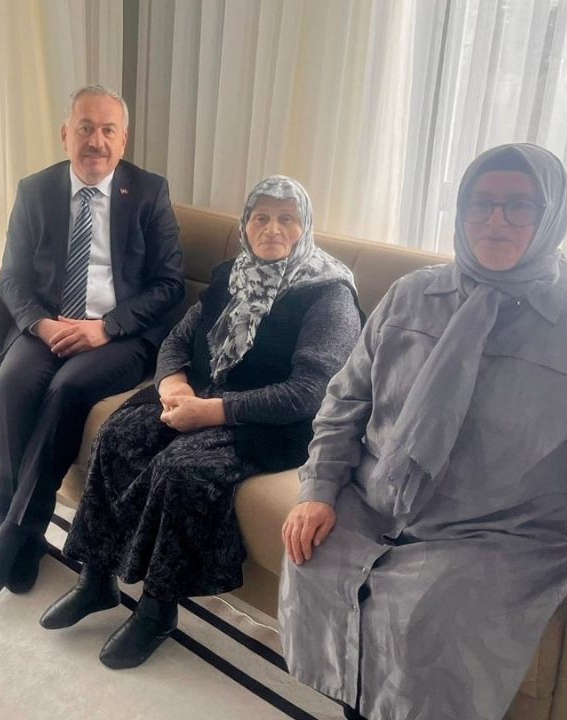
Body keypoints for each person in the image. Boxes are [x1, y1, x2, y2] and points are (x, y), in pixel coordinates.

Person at [277, 143, 567, 720]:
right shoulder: (411, 297)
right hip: (376, 504)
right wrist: (318, 490)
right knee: (311, 559)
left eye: (519, 206)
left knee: (431, 620)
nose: (495, 221)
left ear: (551, 216)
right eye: (480, 204)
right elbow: (345, 401)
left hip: (502, 530)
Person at [39, 176, 361, 669]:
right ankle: (97, 579)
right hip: (203, 393)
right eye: (260, 217)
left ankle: (157, 610)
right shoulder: (234, 274)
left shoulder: (328, 296)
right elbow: (178, 339)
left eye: (287, 218)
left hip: (274, 422)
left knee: (182, 470)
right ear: (245, 225)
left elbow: (308, 394)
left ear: (306, 226)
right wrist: (173, 385)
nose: (272, 229)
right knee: (120, 435)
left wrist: (210, 411)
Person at [0, 85, 184, 596]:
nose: (96, 142)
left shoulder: (149, 192)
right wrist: (40, 324)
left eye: (108, 130)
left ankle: (13, 532)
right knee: (13, 386)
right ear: (66, 134)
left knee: (67, 389)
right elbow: (12, 276)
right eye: (85, 128)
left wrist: (105, 327)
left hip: (120, 334)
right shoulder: (35, 190)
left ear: (124, 140)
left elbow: (169, 284)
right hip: (49, 323)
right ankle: (22, 542)